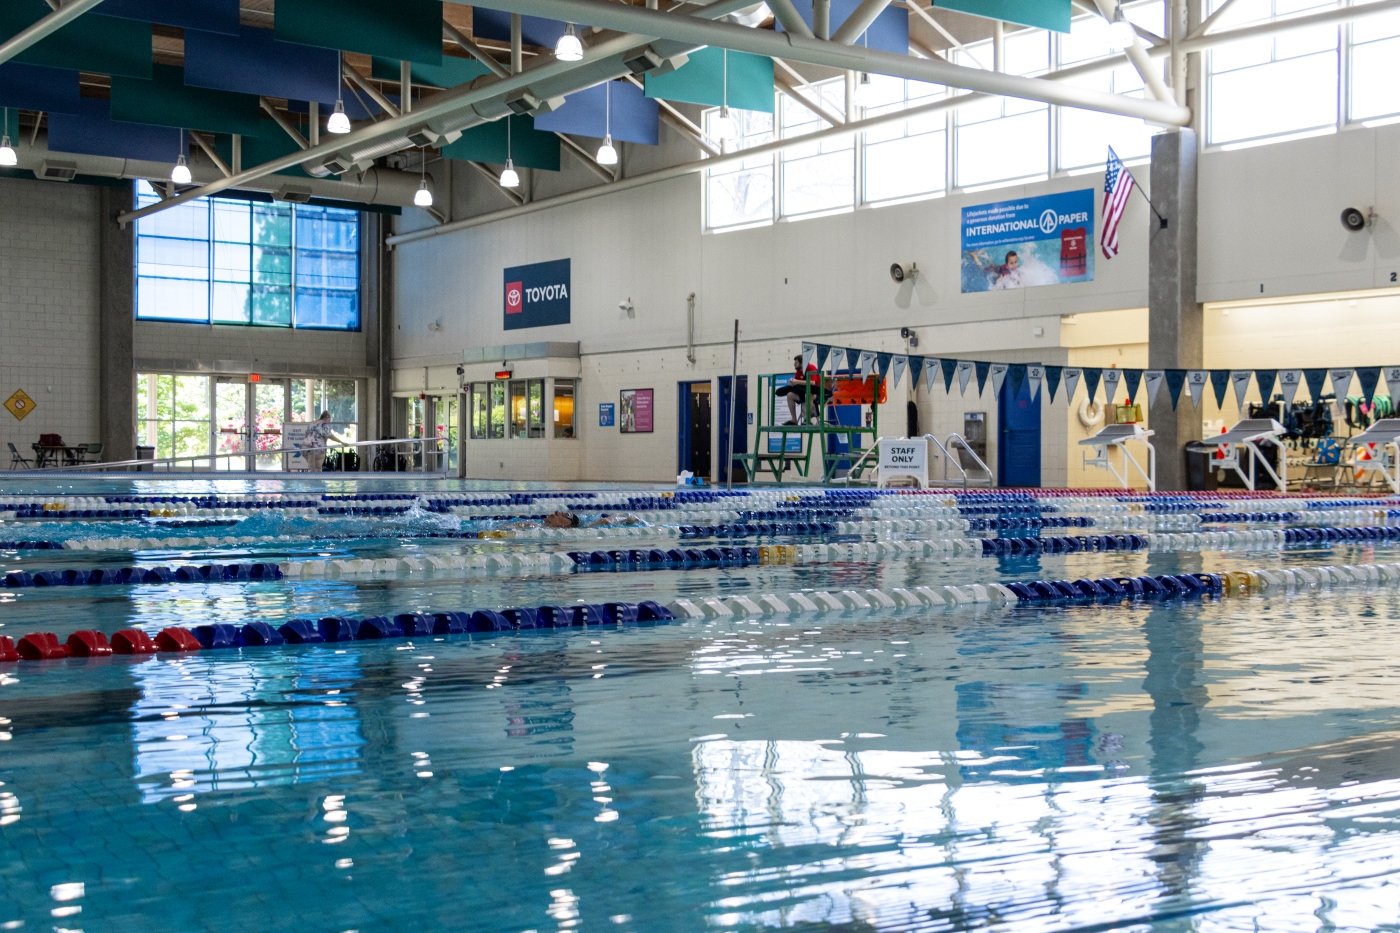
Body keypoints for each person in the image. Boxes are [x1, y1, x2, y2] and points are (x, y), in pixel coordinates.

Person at [775, 354, 818, 426]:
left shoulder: (811, 367)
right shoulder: (799, 371)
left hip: (816, 393)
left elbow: (812, 382)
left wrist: (796, 381)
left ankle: (807, 420)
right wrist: (793, 382)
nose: (794, 364)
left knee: (808, 394)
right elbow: (796, 383)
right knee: (790, 395)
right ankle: (794, 420)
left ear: (801, 363)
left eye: (796, 362)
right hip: (804, 393)